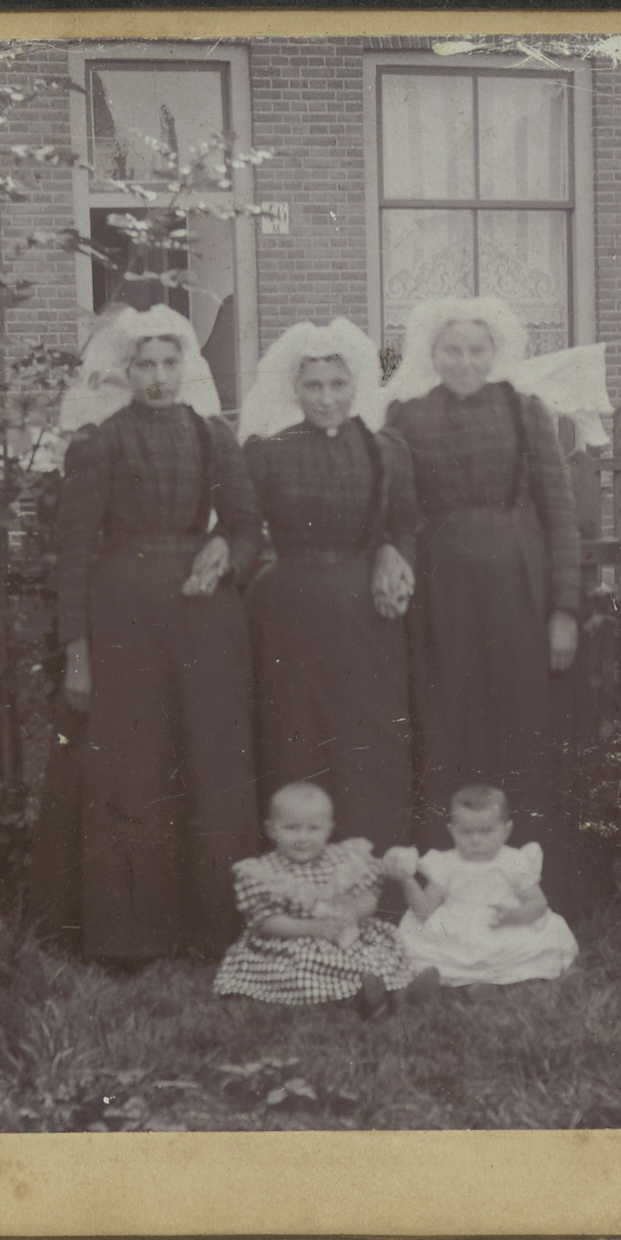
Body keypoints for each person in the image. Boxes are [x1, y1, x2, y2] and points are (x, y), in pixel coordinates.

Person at [30, 304, 262, 966]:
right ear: (123, 371)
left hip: (201, 619)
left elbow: (247, 526)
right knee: (133, 765)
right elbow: (75, 557)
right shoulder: (98, 443)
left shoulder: (212, 436)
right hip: (123, 622)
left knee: (207, 760)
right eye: (144, 365)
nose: (158, 377)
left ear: (185, 367)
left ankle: (210, 927)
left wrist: (224, 551)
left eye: (168, 363)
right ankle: (131, 933)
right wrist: (78, 654)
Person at [382, 297, 580, 908]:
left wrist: (564, 610)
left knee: (520, 723)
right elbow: (398, 512)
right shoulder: (407, 415)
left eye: (476, 350)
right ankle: (443, 883)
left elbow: (559, 513)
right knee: (444, 723)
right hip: (441, 592)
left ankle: (530, 882)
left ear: (495, 352)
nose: (464, 362)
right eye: (452, 350)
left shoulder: (524, 409)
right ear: (432, 352)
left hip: (517, 590)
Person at [238, 318, 419, 854]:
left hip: (365, 612)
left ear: (356, 383)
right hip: (291, 611)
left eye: (338, 384)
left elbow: (405, 524)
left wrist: (392, 552)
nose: (326, 398)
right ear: (294, 389)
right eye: (313, 385)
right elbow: (245, 530)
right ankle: (296, 866)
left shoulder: (384, 449)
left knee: (368, 736)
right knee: (297, 734)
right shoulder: (268, 452)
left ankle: (371, 864)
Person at [213, 782, 416, 1012]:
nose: (303, 837)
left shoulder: (343, 859)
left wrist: (353, 911)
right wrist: (311, 928)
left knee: (378, 950)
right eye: (291, 828)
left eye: (313, 828)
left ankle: (395, 990)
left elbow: (369, 896)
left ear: (329, 829)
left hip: (343, 934)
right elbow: (265, 921)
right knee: (304, 964)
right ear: (271, 830)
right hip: (293, 940)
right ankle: (358, 996)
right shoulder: (264, 872)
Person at [382, 784, 578, 987]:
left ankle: (511, 978)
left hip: (503, 927)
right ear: (452, 831)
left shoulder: (513, 861)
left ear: (506, 831)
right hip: (457, 932)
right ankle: (470, 983)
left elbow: (538, 903)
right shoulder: (446, 864)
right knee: (426, 944)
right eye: (466, 832)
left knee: (536, 940)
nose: (476, 840)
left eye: (486, 831)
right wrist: (407, 881)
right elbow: (424, 911)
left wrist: (516, 915)